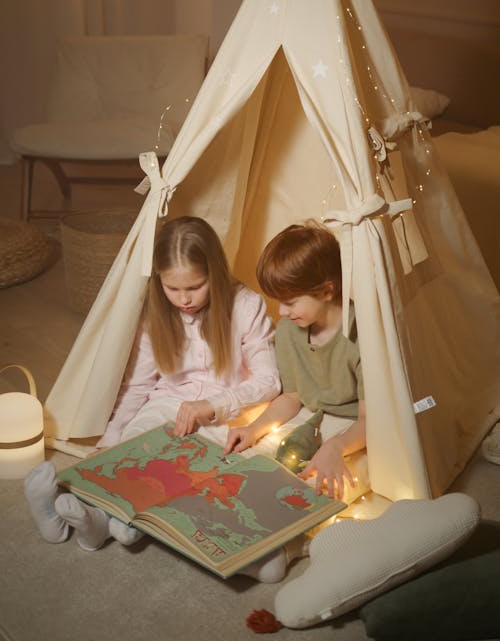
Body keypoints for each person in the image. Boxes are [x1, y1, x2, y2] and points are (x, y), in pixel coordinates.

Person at [25, 216, 287, 579]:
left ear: (215, 270)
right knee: (131, 461)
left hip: (225, 417)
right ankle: (81, 522)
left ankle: (104, 527)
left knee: (184, 486)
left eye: (195, 287)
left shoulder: (246, 306)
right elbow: (137, 386)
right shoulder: (155, 314)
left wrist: (211, 405)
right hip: (166, 404)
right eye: (172, 288)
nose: (184, 300)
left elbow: (268, 381)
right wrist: (111, 440)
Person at [225, 221, 366, 501]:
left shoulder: (360, 333)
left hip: (356, 428)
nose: (281, 311)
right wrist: (254, 429)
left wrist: (337, 446)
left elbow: (371, 419)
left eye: (289, 302)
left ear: (327, 291)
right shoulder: (290, 329)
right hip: (312, 417)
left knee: (326, 490)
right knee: (248, 478)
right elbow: (291, 397)